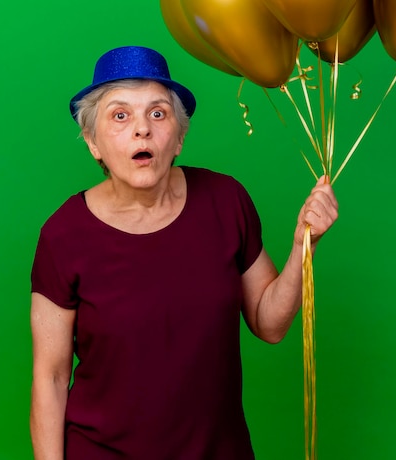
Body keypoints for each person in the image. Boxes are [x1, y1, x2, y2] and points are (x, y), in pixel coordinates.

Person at [29, 45, 338, 460]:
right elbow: (50, 377)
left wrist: (304, 245)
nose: (143, 129)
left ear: (180, 136)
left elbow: (269, 323)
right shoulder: (63, 235)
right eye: (120, 115)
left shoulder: (226, 201)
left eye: (158, 113)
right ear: (92, 142)